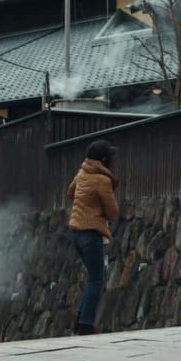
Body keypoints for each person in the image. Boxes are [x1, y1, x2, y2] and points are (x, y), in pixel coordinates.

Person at [66, 139, 120, 335]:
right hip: (90, 233)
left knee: (93, 278)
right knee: (97, 279)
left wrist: (85, 204)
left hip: (76, 232)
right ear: (105, 159)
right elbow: (113, 212)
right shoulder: (102, 180)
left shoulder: (82, 173)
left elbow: (70, 192)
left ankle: (80, 319)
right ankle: (86, 324)